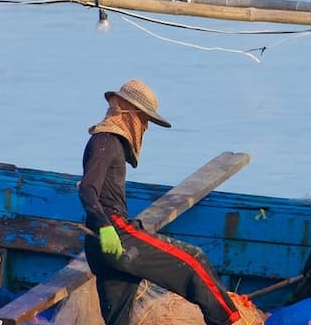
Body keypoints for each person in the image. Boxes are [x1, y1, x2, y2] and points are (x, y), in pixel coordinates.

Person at [79, 80, 244, 325]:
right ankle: (229, 321)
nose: (144, 126)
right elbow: (87, 189)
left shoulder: (109, 143)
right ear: (129, 112)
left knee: (118, 319)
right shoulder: (105, 142)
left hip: (104, 246)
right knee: (194, 260)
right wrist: (105, 227)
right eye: (143, 118)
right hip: (115, 235)